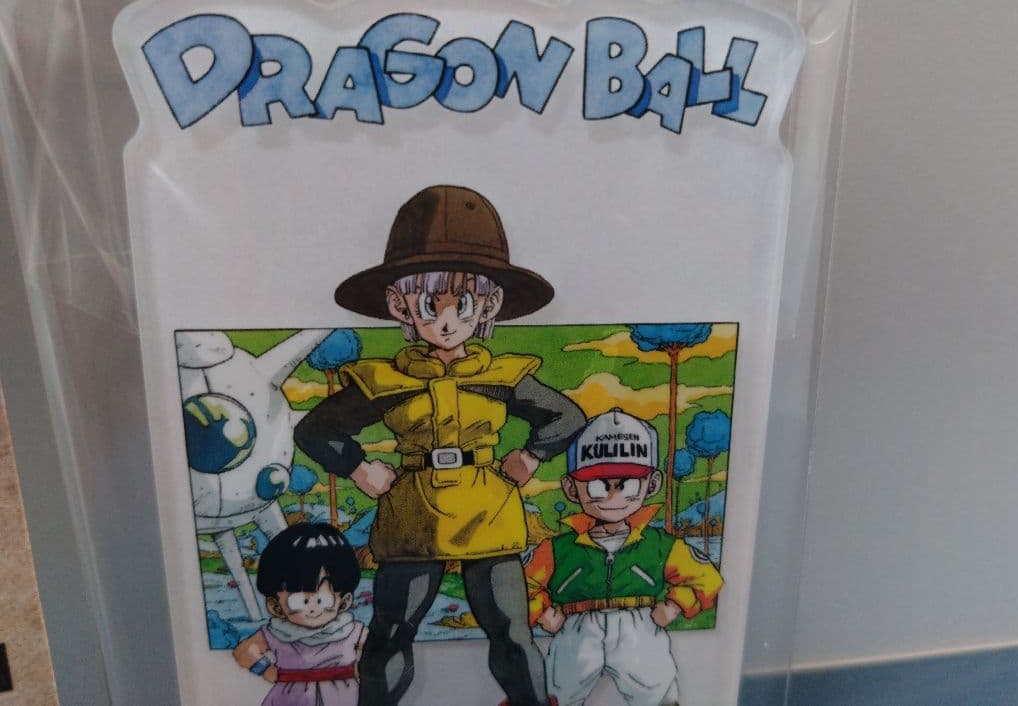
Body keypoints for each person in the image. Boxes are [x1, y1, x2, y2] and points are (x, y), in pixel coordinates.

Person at [294, 185, 585, 706]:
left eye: (463, 303)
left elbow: (567, 415)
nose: (446, 320)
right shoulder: (385, 379)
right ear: (399, 304)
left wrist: (532, 454)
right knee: (390, 633)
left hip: (490, 515)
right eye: (429, 304)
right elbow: (314, 430)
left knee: (512, 634)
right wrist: (358, 467)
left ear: (489, 304)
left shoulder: (503, 376)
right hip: (412, 519)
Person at [524, 409, 723, 706]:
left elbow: (706, 577)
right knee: (558, 694)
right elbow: (521, 584)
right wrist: (542, 611)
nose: (612, 497)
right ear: (571, 488)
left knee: (656, 692)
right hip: (576, 630)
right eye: (598, 486)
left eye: (627, 485)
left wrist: (675, 605)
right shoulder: (558, 548)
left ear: (652, 484)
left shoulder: (659, 545)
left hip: (639, 629)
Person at [233, 522, 366, 706]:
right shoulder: (277, 633)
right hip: (289, 699)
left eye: (323, 599)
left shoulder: (351, 631)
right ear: (275, 606)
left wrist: (365, 669)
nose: (312, 608)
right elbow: (244, 652)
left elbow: (378, 650)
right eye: (299, 601)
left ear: (344, 601)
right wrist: (265, 670)